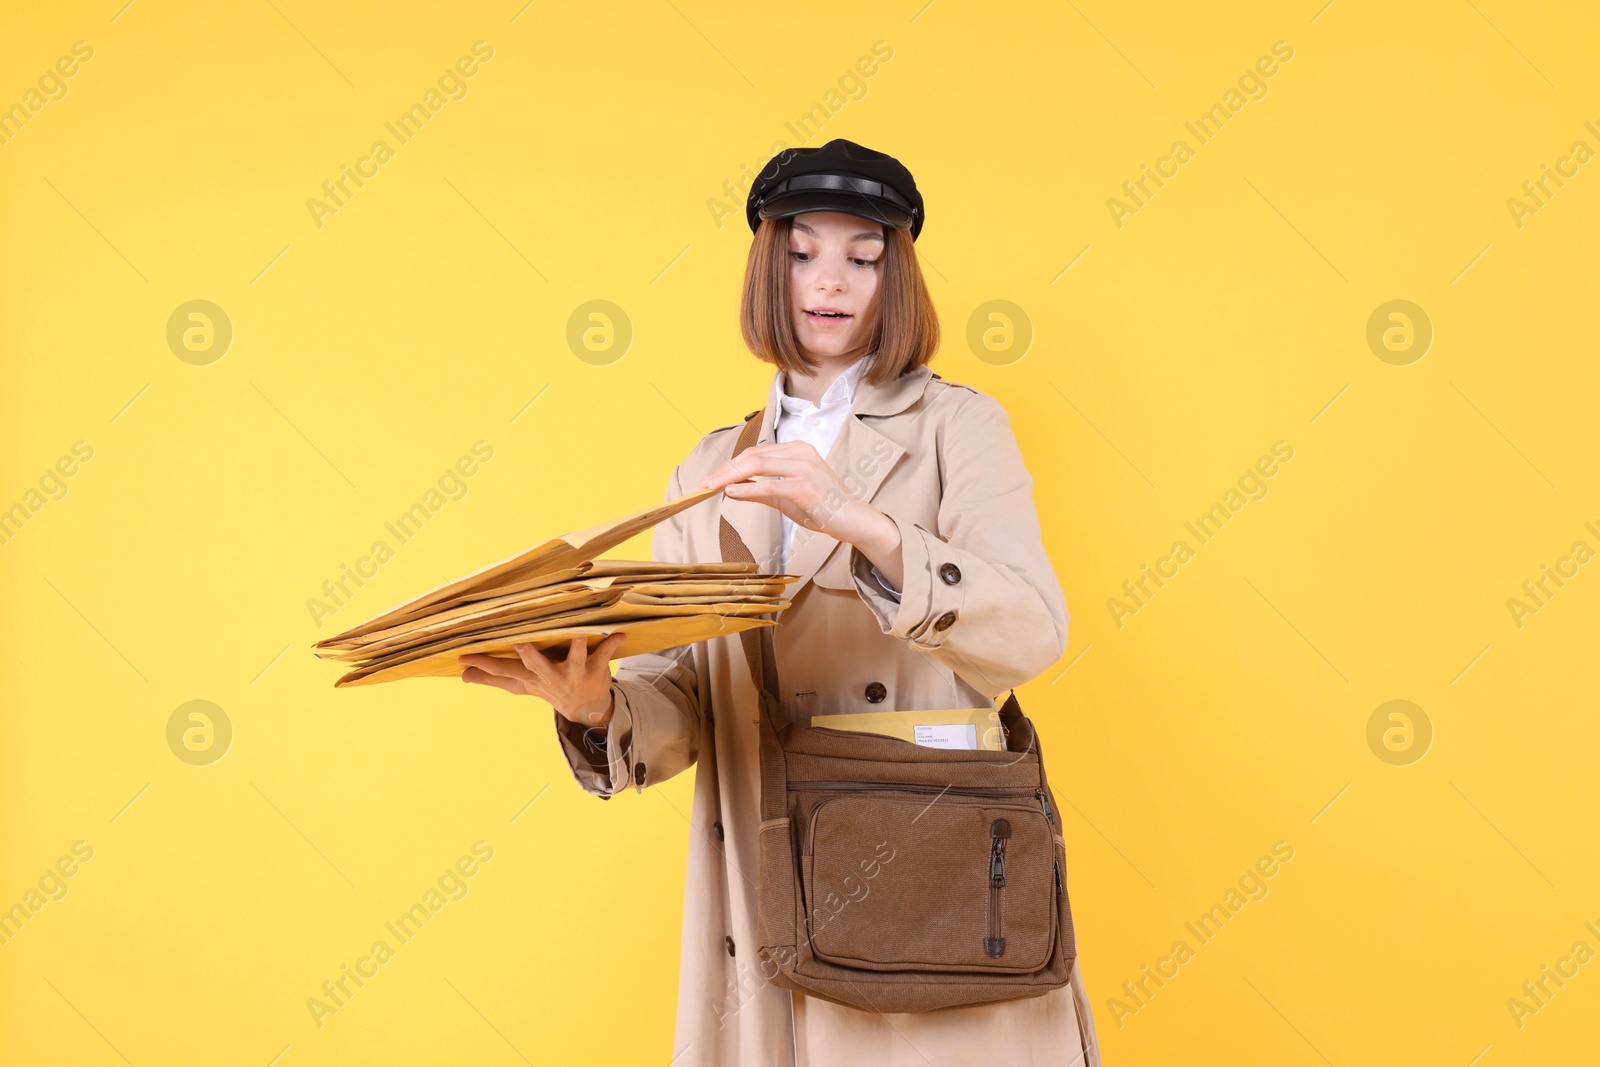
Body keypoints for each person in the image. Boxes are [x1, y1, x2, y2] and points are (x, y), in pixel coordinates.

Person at [459, 139, 1101, 1066]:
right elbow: (683, 699)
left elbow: (1032, 632)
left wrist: (858, 521)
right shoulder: (709, 467)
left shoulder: (961, 428)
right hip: (761, 888)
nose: (828, 281)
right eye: (801, 252)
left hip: (924, 879)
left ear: (897, 275)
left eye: (862, 256)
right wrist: (593, 705)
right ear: (768, 266)